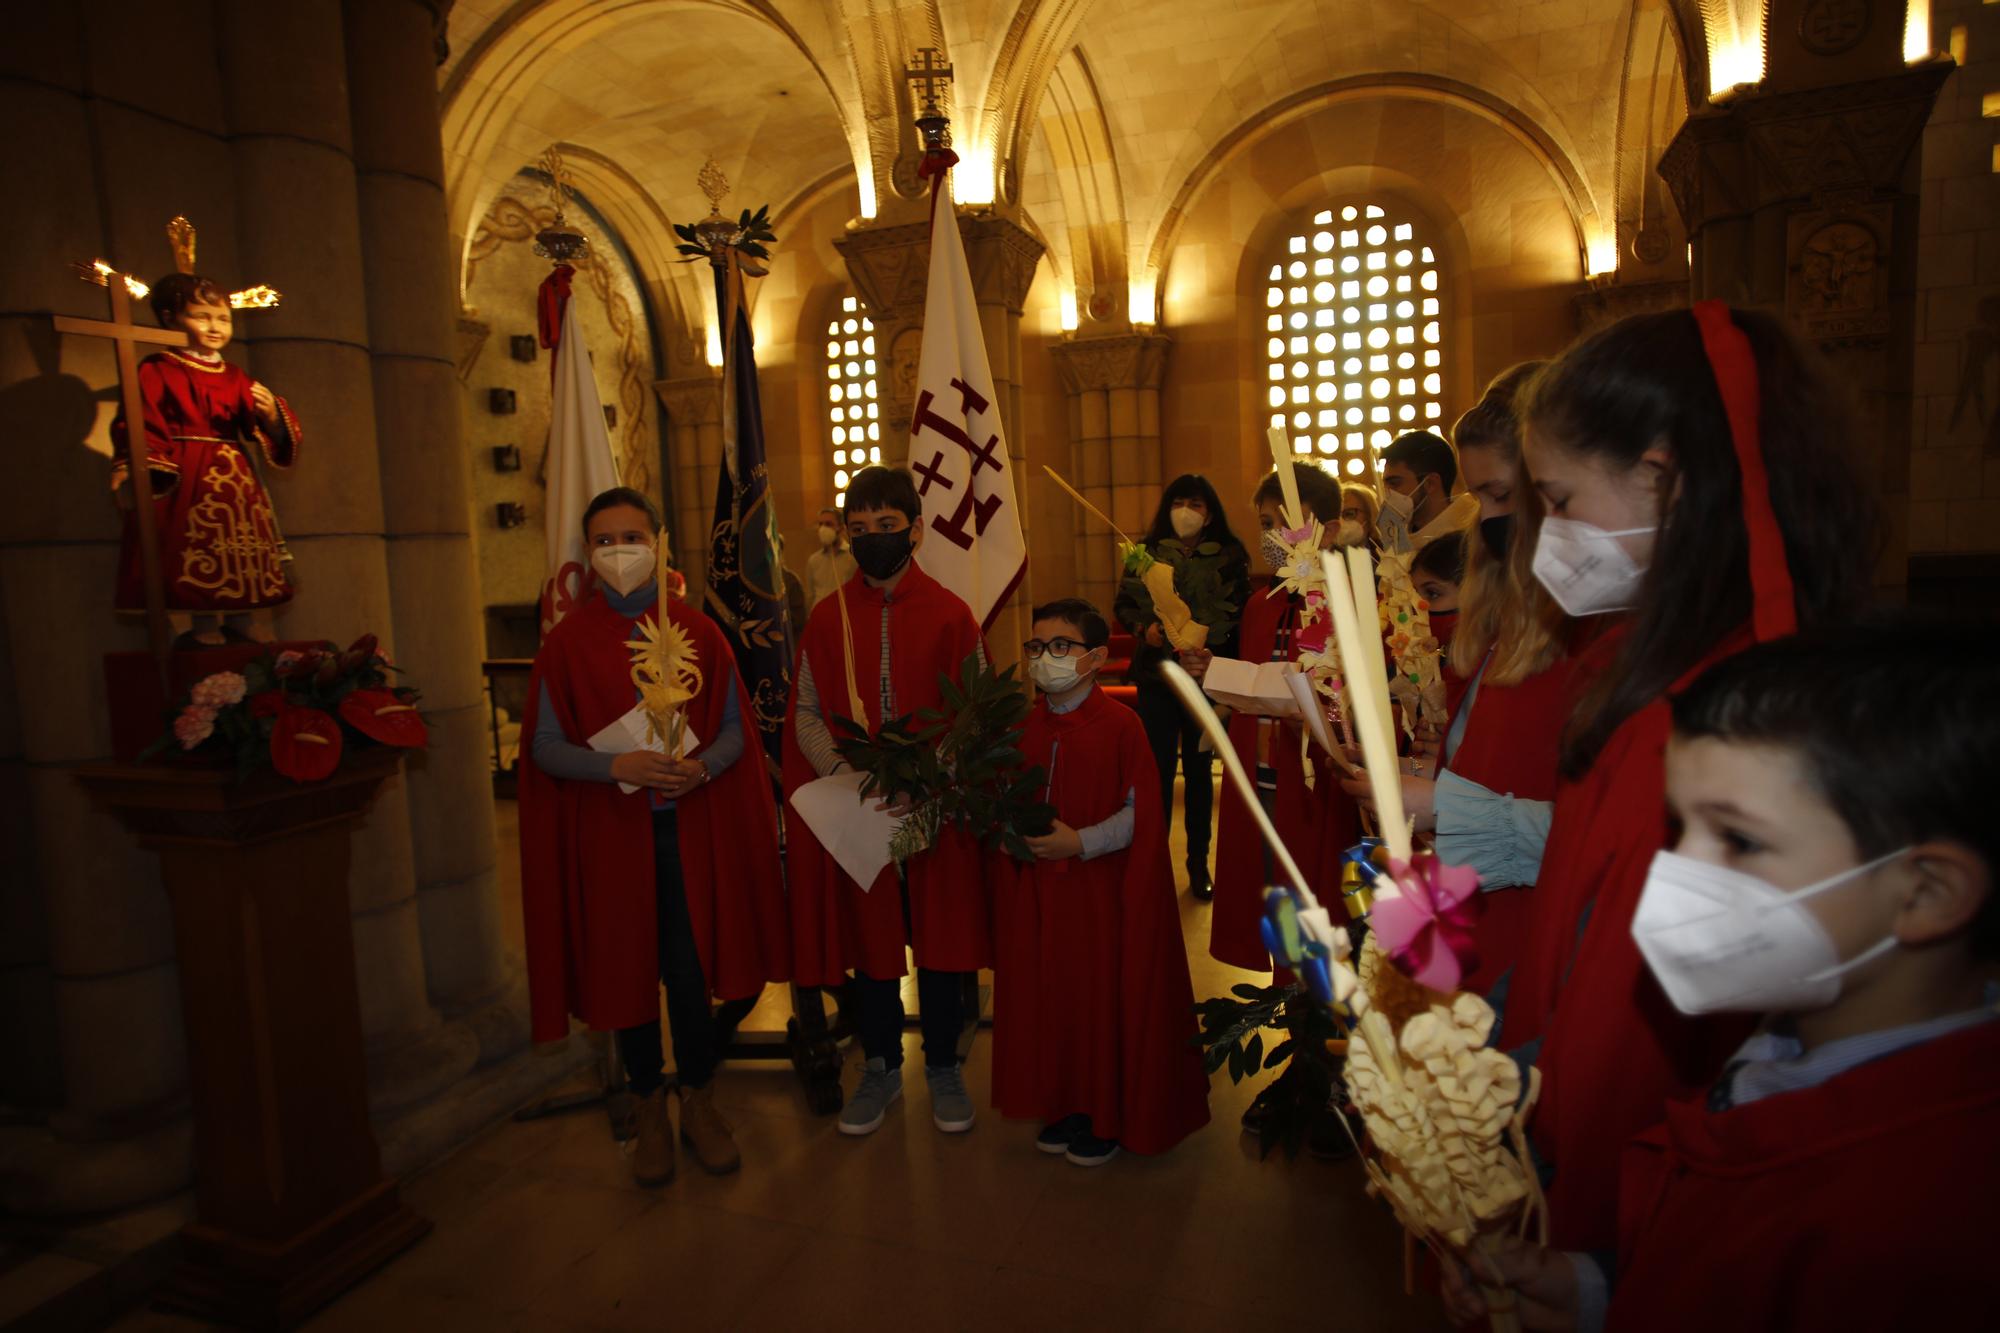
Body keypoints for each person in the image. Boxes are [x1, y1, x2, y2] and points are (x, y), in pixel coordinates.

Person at [1442, 617, 2000, 1331]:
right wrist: (1595, 1290)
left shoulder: (1922, 1231)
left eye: (1738, 839)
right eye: (1678, 830)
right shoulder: (1783, 1045)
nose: (1672, 877)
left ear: (1926, 893)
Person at [1497, 304, 1877, 1255]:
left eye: (1561, 501)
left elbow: (1644, 1029)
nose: (1548, 539)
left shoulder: (1719, 721)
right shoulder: (1638, 663)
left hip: (1621, 1183)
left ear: (1664, 481)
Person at [518, 486, 791, 1187]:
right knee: (624, 968)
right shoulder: (566, 644)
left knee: (688, 969)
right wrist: (614, 764)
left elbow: (737, 729)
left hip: (688, 834)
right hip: (611, 835)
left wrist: (700, 770)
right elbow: (545, 746)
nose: (619, 552)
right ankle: (647, 1105)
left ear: (661, 544)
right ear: (586, 553)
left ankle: (698, 1097)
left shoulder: (701, 631)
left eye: (632, 536)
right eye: (604, 541)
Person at [783, 466, 990, 1137]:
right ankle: (877, 1063)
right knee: (870, 939)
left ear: (916, 530)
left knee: (937, 937)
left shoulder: (951, 613)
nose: (872, 538)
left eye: (886, 527)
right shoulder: (826, 615)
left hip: (932, 801)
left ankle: (941, 1066)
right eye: (860, 528)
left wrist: (932, 776)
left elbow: (974, 709)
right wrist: (850, 775)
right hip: (856, 801)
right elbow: (807, 711)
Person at [990, 599, 1211, 1165]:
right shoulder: (1023, 726)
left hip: (1101, 894)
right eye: (1037, 647)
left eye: (1060, 647)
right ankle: (1062, 1101)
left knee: (1100, 999)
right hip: (1042, 896)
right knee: (1054, 997)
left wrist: (1080, 842)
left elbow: (1143, 813)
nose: (1046, 658)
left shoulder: (1121, 726)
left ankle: (1105, 1113)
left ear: (1092, 657)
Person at [1211, 464, 1358, 975]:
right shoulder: (1261, 605)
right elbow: (1255, 680)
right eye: (1263, 523)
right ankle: (1294, 1016)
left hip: (1318, 783)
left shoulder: (1353, 602)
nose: (1270, 537)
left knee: (1322, 914)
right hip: (1263, 775)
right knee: (1279, 904)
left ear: (1330, 529)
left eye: (1281, 522)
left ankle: (1322, 1035)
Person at [113, 271, 300, 645]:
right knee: (195, 546)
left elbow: (259, 427)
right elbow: (141, 420)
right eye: (203, 316)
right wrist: (146, 466)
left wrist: (271, 416)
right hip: (189, 473)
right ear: (170, 318)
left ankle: (244, 617)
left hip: (236, 475)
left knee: (242, 547)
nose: (215, 326)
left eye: (223, 318)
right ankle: (203, 624)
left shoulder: (233, 374)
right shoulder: (159, 368)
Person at [1112, 474, 1250, 900]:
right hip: (1157, 678)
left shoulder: (1229, 556)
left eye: (1196, 503)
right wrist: (1146, 629)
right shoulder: (1146, 554)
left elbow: (1238, 614)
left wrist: (1206, 644)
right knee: (1154, 774)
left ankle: (1197, 865)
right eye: (1178, 502)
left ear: (1210, 514)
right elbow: (1122, 606)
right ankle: (1153, 867)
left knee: (1198, 775)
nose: (1185, 511)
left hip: (1204, 679)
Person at [1376, 429, 1477, 554]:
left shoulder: (1471, 539)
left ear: (1430, 483)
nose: (1387, 494)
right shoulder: (1399, 537)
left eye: (1394, 483)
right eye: (1384, 485)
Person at [805, 505, 856, 608]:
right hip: (821, 616)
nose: (823, 528)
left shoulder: (853, 557)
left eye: (828, 524)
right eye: (821, 524)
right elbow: (810, 595)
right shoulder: (814, 560)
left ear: (841, 527)